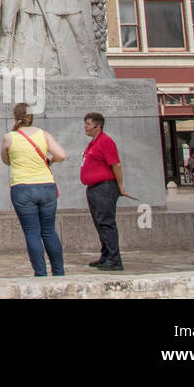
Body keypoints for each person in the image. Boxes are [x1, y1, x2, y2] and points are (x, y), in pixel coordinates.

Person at [1, 101, 66, 277]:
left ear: (16, 117)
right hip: (46, 186)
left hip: (22, 187)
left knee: (32, 232)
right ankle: (59, 272)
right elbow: (61, 155)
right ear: (31, 117)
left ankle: (40, 272)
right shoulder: (44, 135)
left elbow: (6, 160)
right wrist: (50, 160)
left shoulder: (10, 137)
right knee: (49, 230)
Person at [80, 112, 124, 271]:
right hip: (94, 188)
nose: (85, 127)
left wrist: (120, 185)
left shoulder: (105, 141)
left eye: (88, 124)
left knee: (106, 222)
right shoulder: (93, 143)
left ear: (97, 126)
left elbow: (116, 165)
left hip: (104, 187)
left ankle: (114, 259)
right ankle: (105, 255)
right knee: (100, 223)